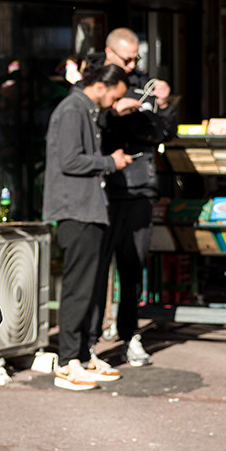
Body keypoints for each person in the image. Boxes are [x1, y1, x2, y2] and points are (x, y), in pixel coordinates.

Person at [42, 62, 133, 392]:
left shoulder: (84, 109)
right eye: (114, 96)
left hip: (87, 208)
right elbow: (69, 160)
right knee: (79, 287)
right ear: (100, 87)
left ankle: (82, 354)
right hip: (75, 209)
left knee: (91, 286)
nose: (113, 103)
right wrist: (111, 162)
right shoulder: (72, 110)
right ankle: (67, 362)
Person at [98, 28, 179, 366]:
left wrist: (162, 104)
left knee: (132, 267)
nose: (131, 66)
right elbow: (88, 127)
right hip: (104, 186)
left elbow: (165, 133)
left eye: (135, 59)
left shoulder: (143, 82)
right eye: (125, 59)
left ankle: (129, 335)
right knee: (97, 268)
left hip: (141, 185)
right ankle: (87, 344)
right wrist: (115, 113)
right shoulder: (94, 80)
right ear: (108, 52)